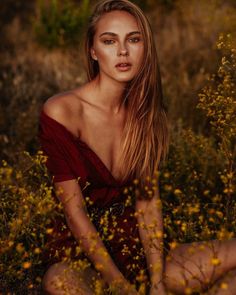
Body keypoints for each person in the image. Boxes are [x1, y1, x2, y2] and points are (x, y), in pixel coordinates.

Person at [38, 0, 236, 294]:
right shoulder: (62, 112)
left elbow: (146, 203)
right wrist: (120, 286)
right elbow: (75, 213)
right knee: (59, 282)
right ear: (93, 51)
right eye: (109, 41)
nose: (122, 51)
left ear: (145, 48)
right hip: (83, 256)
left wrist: (156, 283)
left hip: (137, 248)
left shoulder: (145, 113)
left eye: (133, 39)